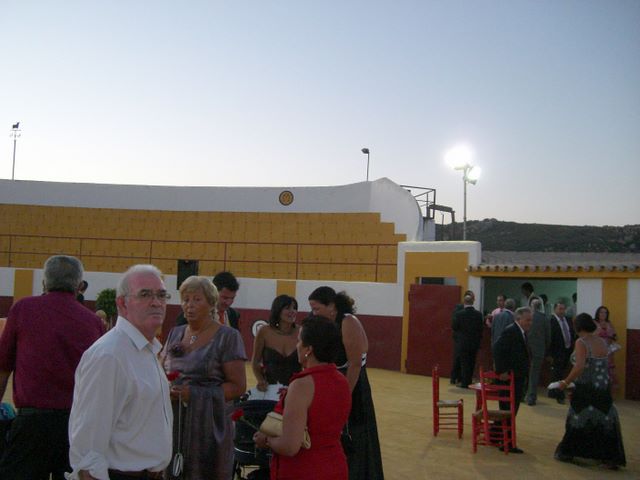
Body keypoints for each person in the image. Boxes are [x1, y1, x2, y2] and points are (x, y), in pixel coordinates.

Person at [0, 255, 104, 480]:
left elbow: (3, 368)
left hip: (31, 424)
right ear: (79, 286)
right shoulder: (93, 322)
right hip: (75, 426)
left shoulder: (23, 309)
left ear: (44, 282)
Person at [162, 275, 247, 479]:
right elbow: (160, 370)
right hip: (175, 423)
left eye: (196, 299)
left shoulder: (228, 337)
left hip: (209, 427)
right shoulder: (175, 333)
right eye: (185, 299)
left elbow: (238, 387)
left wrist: (194, 394)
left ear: (211, 303)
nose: (189, 305)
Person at [253, 316, 352, 480]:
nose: (297, 345)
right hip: (335, 465)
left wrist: (267, 440)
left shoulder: (302, 386)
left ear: (308, 350)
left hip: (304, 469)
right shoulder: (341, 381)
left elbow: (290, 446)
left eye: (299, 341)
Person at [308, 287, 384, 480]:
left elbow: (355, 365)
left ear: (331, 306)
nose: (313, 313)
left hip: (353, 385)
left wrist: (344, 396)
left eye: (316, 309)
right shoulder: (326, 323)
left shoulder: (348, 322)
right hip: (337, 384)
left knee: (355, 434)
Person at [554, 313, 626, 469]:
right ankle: (609, 458)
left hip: (586, 386)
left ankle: (570, 452)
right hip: (603, 386)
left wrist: (565, 382)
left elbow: (579, 367)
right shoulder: (601, 341)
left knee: (579, 417)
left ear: (577, 327)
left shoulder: (581, 342)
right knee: (604, 419)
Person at [492, 306, 532, 454]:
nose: (530, 323)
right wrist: (501, 370)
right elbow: (497, 349)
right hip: (510, 378)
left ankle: (496, 435)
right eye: (528, 320)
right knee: (509, 410)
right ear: (519, 319)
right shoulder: (511, 331)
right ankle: (506, 442)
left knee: (510, 410)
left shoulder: (519, 332)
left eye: (531, 320)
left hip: (517, 376)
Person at [252, 295, 302, 390]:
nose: (292, 311)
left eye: (294, 308)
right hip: (269, 390)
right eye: (287, 308)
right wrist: (261, 380)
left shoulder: (301, 332)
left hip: (296, 389)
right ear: (278, 310)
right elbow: (255, 361)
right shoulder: (264, 332)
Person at [451, 292, 484, 388]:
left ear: (464, 302)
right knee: (472, 362)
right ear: (472, 302)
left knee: (464, 362)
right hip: (474, 342)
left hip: (463, 342)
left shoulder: (459, 314)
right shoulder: (479, 314)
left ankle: (465, 382)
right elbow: (480, 328)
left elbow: (454, 327)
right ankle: (469, 380)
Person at [548, 302, 575, 404]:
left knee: (561, 371)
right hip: (556, 351)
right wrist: (549, 354)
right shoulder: (551, 321)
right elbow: (549, 338)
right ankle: (559, 395)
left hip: (567, 349)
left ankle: (552, 392)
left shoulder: (568, 320)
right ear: (555, 309)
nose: (562, 311)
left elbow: (571, 332)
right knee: (557, 373)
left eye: (563, 309)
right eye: (560, 309)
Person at [525, 299, 550, 406]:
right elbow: (548, 336)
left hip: (526, 347)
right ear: (541, 306)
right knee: (534, 374)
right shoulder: (544, 318)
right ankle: (531, 397)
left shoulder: (526, 316)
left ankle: (521, 395)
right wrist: (546, 349)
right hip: (539, 349)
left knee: (524, 371)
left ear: (531, 306)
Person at [594, 306, 618, 390]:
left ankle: (607, 390)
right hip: (597, 351)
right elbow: (590, 336)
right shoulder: (594, 323)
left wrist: (613, 338)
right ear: (598, 313)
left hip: (608, 352)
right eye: (601, 312)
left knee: (608, 372)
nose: (603, 314)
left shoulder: (609, 323)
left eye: (605, 312)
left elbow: (615, 336)